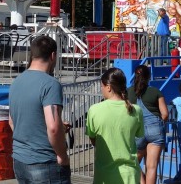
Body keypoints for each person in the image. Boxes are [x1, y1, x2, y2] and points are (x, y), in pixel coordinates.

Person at [8, 35, 71, 184]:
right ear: (53, 55)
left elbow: (12, 121)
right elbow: (53, 128)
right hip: (45, 162)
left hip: (20, 160)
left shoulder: (17, 82)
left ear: (33, 54)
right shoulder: (50, 84)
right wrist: (62, 156)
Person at [86, 67, 144, 184]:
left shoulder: (94, 110)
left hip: (104, 175)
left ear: (108, 87)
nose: (101, 90)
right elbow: (138, 135)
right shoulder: (136, 110)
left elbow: (93, 139)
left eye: (101, 86)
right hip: (129, 175)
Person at [127, 64, 169, 184]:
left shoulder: (128, 92)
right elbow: (165, 114)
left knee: (133, 162)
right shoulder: (155, 92)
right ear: (149, 77)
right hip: (155, 130)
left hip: (137, 131)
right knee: (151, 166)